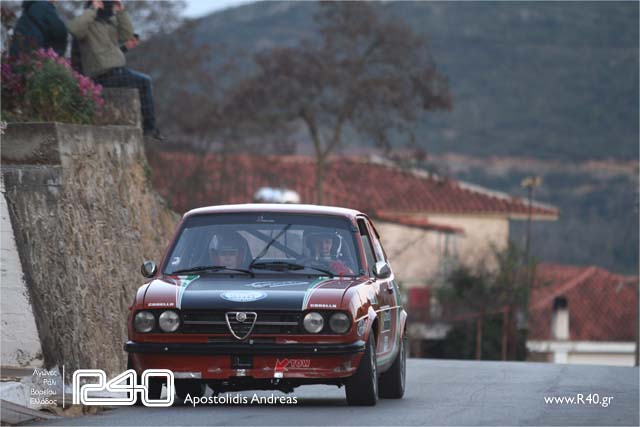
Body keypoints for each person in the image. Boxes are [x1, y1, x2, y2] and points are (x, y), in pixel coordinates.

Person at [67, 1, 162, 140]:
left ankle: (150, 128)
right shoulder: (87, 22)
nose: (110, 4)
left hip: (116, 71)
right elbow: (74, 29)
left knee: (144, 80)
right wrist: (93, 9)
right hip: (100, 75)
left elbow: (127, 34)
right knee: (144, 82)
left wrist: (121, 12)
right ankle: (150, 128)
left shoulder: (109, 22)